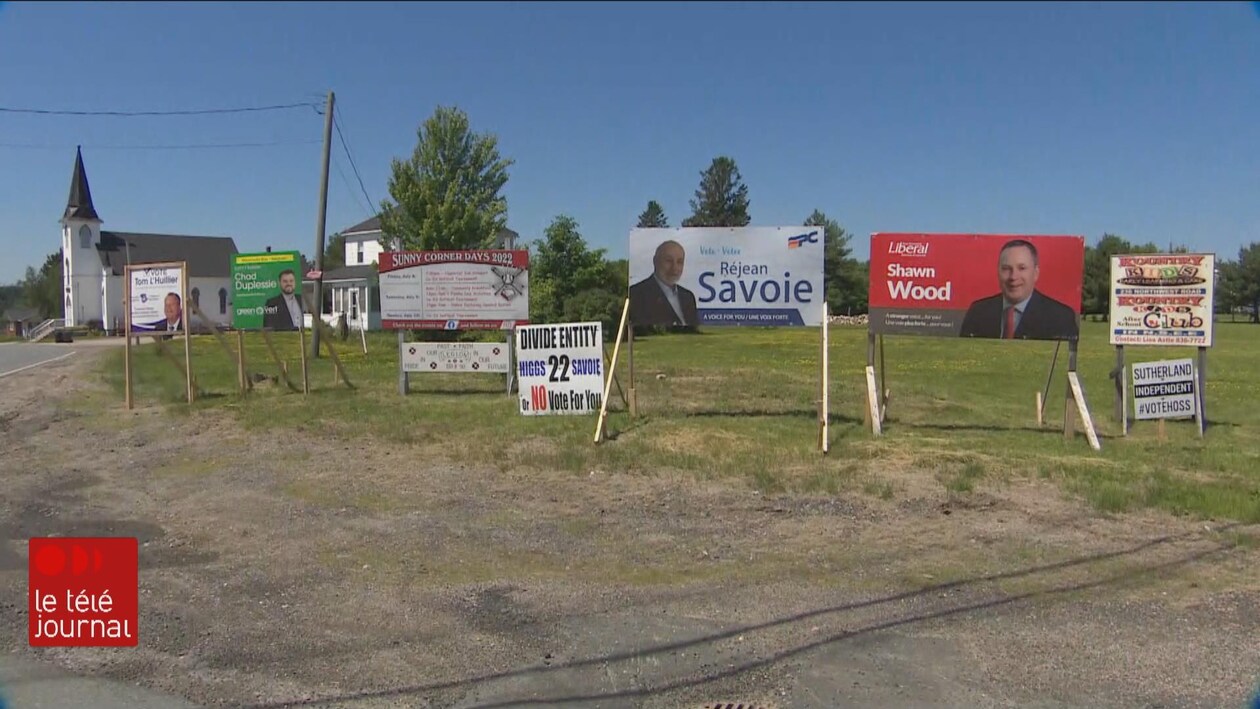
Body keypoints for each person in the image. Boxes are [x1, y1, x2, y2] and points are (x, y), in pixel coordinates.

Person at [959, 239, 1079, 340]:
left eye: (1022, 268)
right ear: (998, 272)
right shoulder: (978, 311)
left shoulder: (1061, 317)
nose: (1013, 277)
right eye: (1006, 268)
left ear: (1035, 273)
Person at [629, 240, 699, 327]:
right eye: (669, 261)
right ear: (655, 261)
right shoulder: (637, 293)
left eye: (680, 262)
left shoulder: (688, 297)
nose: (675, 268)